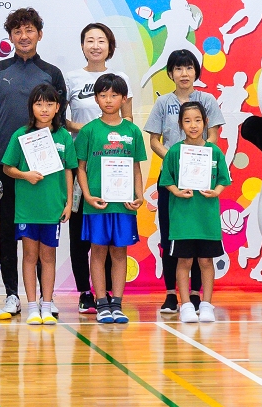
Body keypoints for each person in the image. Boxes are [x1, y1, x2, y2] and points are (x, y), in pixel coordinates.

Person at [0, 7, 67, 316]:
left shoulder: (51, 73)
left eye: (29, 30)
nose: (24, 36)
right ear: (10, 37)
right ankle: (12, 294)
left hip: (44, 172)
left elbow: (60, 121)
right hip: (9, 167)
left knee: (41, 238)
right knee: (8, 233)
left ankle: (46, 298)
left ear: (39, 34)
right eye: (17, 31)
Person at [145, 49, 226, 315]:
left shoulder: (207, 100)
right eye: (178, 68)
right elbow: (154, 140)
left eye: (189, 68)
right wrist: (176, 160)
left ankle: (196, 295)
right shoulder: (162, 102)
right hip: (171, 179)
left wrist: (196, 159)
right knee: (172, 235)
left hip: (201, 177)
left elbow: (213, 136)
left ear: (196, 72)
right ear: (170, 73)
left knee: (200, 235)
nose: (184, 73)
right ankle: (172, 293)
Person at [62, 23, 128, 315]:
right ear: (82, 46)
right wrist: (87, 129)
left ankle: (111, 293)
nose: (96, 45)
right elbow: (60, 119)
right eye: (90, 40)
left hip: (113, 166)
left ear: (110, 46)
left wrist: (107, 135)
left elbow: (127, 121)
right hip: (80, 164)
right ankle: (86, 292)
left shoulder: (120, 78)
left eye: (101, 40)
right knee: (80, 233)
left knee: (111, 231)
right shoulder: (71, 78)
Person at [1, 84, 76, 325]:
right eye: (39, 104)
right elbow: (7, 168)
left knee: (48, 256)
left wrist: (68, 203)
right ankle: (32, 306)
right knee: (30, 256)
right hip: (27, 209)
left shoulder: (63, 136)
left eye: (49, 104)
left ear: (57, 107)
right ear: (31, 107)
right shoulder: (20, 135)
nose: (44, 109)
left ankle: (47, 304)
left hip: (53, 208)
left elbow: (69, 170)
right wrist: (25, 175)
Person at [75, 73, 146, 324]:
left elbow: (136, 168)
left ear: (124, 99)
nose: (108, 100)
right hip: (97, 204)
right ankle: (101, 302)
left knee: (119, 253)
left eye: (114, 95)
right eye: (103, 95)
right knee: (97, 252)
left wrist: (139, 196)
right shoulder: (89, 131)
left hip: (124, 204)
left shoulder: (132, 131)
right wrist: (87, 195)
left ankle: (117, 303)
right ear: (95, 98)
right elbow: (80, 168)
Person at [158, 100, 232, 323]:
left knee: (206, 261)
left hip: (206, 218)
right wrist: (177, 192)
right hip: (183, 219)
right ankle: (186, 305)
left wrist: (216, 191)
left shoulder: (214, 151)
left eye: (198, 120)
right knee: (184, 261)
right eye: (187, 121)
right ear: (180, 124)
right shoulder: (175, 151)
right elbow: (166, 179)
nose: (193, 125)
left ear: (206, 122)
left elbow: (223, 179)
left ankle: (206, 304)